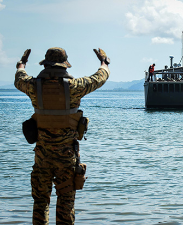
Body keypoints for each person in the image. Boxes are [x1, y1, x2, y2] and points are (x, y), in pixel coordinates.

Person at [14, 47, 111, 225]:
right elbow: (100, 78)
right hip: (67, 157)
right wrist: (104, 62)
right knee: (66, 203)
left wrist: (22, 64)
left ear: (46, 64)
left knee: (40, 201)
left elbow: (19, 78)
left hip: (42, 156)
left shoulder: (34, 86)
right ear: (64, 66)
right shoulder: (75, 87)